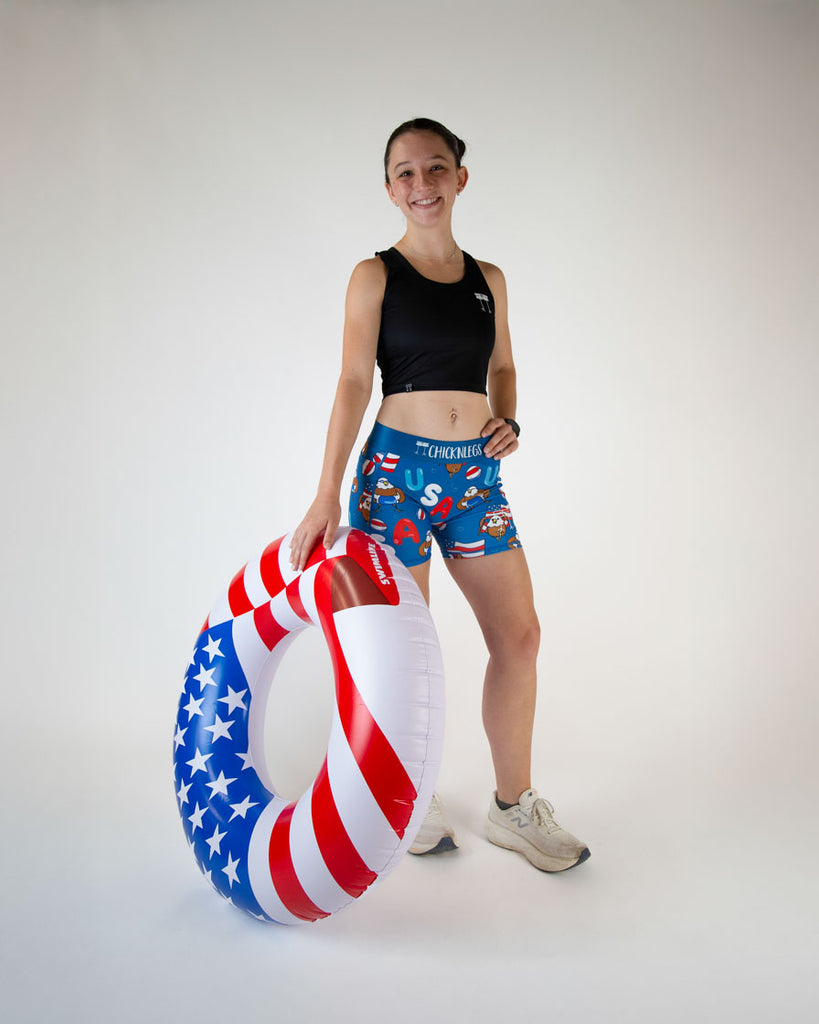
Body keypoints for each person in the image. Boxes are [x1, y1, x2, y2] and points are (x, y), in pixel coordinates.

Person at [289, 117, 589, 872]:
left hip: (472, 479)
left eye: (433, 168)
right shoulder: (374, 274)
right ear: (389, 190)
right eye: (403, 173)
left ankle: (512, 807)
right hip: (394, 476)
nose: (420, 185)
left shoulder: (490, 279)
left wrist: (508, 416)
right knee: (404, 651)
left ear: (459, 176)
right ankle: (408, 798)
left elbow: (505, 367)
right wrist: (326, 493)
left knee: (518, 638)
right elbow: (354, 381)